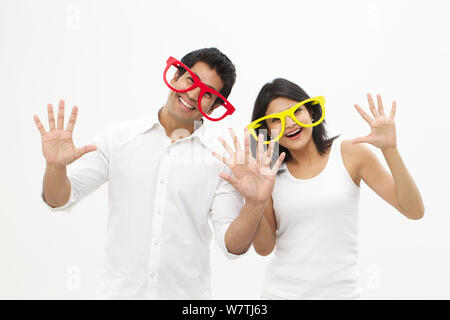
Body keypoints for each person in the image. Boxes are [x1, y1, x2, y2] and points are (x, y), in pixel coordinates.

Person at [33, 48, 274, 299]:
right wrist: (55, 166)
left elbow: (231, 246)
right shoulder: (118, 138)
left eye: (207, 94)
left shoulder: (223, 159)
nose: (193, 94)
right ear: (175, 77)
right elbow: (59, 200)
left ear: (214, 108)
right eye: (191, 80)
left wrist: (256, 203)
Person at [216, 78, 424, 299]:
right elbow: (264, 248)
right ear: (266, 131)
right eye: (276, 120)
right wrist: (256, 199)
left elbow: (414, 211)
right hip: (282, 293)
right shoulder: (268, 174)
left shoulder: (350, 154)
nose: (290, 124)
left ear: (311, 112)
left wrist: (390, 150)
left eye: (296, 112)